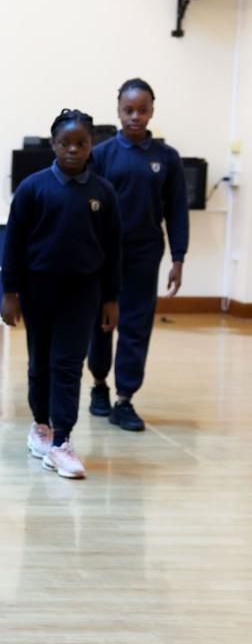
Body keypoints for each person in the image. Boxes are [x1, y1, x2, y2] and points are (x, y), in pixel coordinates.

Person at [1, 109, 122, 479]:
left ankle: (62, 441)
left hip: (83, 292)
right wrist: (10, 292)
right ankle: (41, 426)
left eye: (80, 143)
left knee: (68, 365)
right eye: (65, 143)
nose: (72, 150)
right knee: (40, 363)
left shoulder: (103, 192)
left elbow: (114, 249)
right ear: (53, 145)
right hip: (39, 291)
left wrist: (111, 298)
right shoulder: (32, 188)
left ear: (91, 146)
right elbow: (15, 244)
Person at [87, 78, 189, 432]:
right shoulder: (100, 155)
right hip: (103, 254)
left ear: (151, 112)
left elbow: (177, 211)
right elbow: (87, 207)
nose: (135, 116)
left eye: (142, 110)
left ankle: (124, 398)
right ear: (118, 110)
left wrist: (179, 257)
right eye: (128, 110)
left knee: (136, 325)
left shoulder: (166, 158)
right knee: (101, 323)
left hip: (145, 252)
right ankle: (99, 385)